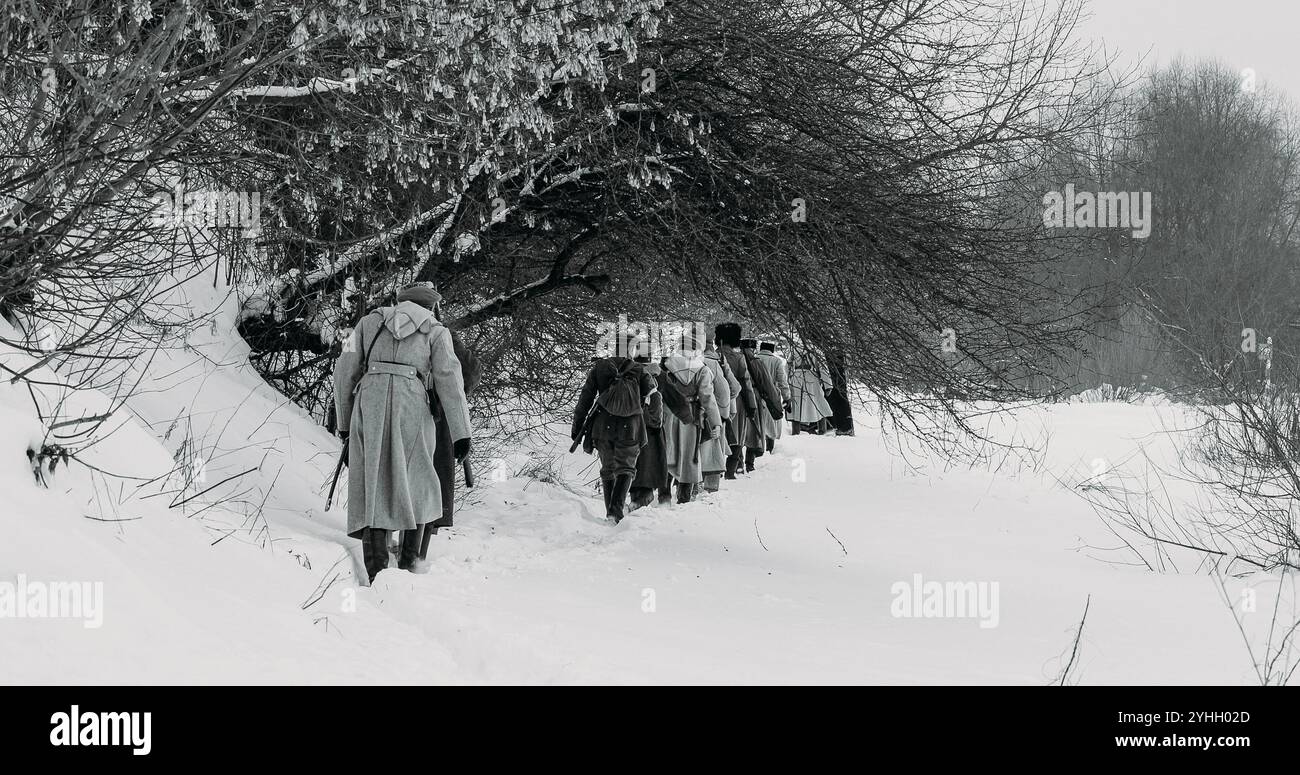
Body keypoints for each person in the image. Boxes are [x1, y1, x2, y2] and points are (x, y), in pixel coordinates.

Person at [333, 284, 472, 583]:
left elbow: (343, 370)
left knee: (373, 480)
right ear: (430, 306)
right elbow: (451, 379)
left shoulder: (367, 323)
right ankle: (409, 563)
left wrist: (344, 423)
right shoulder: (436, 332)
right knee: (419, 480)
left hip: (368, 399)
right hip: (412, 402)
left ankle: (376, 568)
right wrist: (462, 434)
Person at [571, 342, 657, 523]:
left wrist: (577, 426)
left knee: (608, 469)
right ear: (631, 349)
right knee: (626, 468)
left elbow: (585, 399)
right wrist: (653, 419)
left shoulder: (600, 368)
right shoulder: (639, 370)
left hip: (603, 426)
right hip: (631, 427)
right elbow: (653, 396)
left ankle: (611, 512)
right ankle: (615, 512)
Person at [660, 336, 723, 503]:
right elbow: (708, 398)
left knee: (668, 454)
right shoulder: (702, 370)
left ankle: (664, 498)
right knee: (689, 458)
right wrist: (716, 422)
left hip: (668, 415)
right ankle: (684, 499)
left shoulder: (666, 366)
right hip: (691, 417)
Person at [715, 323, 757, 479]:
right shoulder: (739, 358)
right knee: (738, 435)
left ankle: (716, 469)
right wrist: (751, 405)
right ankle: (730, 470)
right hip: (737, 400)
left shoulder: (712, 355)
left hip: (716, 399)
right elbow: (746, 384)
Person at [629, 353, 670, 511]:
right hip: (652, 430)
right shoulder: (659, 377)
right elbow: (675, 399)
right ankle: (650, 499)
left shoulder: (627, 375)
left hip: (631, 429)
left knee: (635, 464)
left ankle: (636, 500)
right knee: (651, 463)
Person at [702, 332, 740, 493]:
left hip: (687, 414)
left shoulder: (685, 361)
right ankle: (709, 488)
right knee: (712, 453)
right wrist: (723, 410)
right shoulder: (717, 362)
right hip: (713, 413)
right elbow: (733, 388)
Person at [740, 337, 784, 471]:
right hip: (754, 397)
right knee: (754, 430)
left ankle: (738, 463)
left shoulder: (734, 360)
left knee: (740, 430)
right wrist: (776, 401)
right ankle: (749, 463)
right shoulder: (756, 362)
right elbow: (767, 384)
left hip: (738, 397)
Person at [788, 348, 834, 434]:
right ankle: (822, 430)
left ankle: (795, 431)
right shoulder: (816, 350)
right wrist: (828, 385)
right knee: (819, 403)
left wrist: (788, 378)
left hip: (797, 378)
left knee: (796, 405)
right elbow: (822, 368)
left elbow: (788, 365)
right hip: (811, 377)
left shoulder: (794, 349)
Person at [756, 341, 791, 452]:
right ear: (772, 350)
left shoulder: (753, 359)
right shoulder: (776, 361)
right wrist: (787, 397)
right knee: (771, 425)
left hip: (755, 394)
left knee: (757, 422)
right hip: (772, 396)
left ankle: (756, 449)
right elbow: (782, 381)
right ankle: (769, 449)